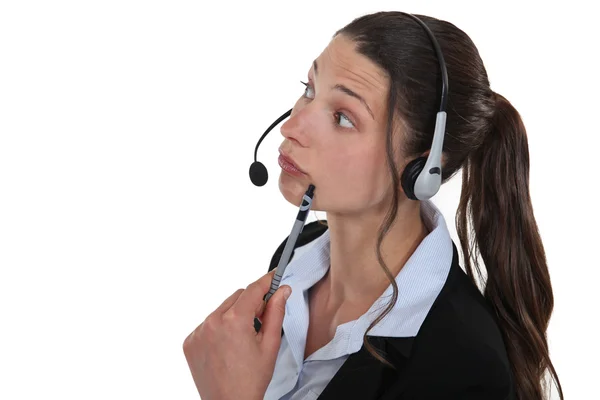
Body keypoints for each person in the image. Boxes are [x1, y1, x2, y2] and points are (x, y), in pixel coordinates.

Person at [183, 11, 563, 400]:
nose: (291, 127)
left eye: (343, 118)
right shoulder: (296, 255)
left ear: (425, 167)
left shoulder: (463, 364)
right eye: (310, 90)